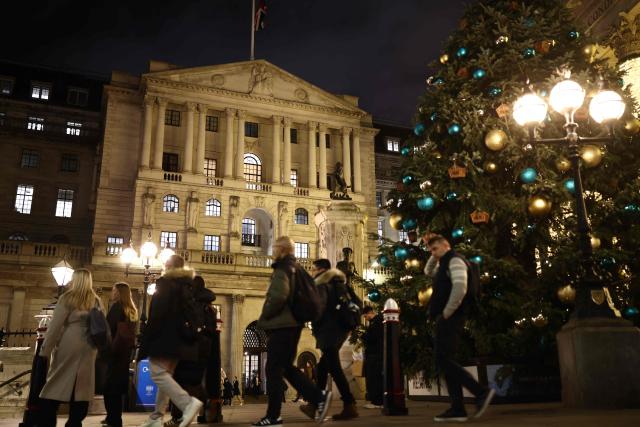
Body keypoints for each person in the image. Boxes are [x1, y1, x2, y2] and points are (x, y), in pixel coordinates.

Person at [252, 236, 332, 427]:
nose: (272, 252)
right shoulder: (298, 268)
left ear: (281, 249)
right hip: (295, 324)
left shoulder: (283, 268)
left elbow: (278, 296)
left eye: (274, 248)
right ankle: (318, 397)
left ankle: (273, 416)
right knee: (286, 367)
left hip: (282, 326)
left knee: (272, 369)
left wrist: (264, 318)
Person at [424, 234, 495, 422]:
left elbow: (460, 287)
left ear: (446, 245)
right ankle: (457, 408)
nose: (433, 253)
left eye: (435, 249)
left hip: (452, 316)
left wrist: (447, 312)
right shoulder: (443, 262)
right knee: (445, 360)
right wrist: (434, 254)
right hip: (447, 317)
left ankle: (480, 392)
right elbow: (427, 271)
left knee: (443, 360)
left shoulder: (454, 260)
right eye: (431, 250)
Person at [138, 255, 203, 427]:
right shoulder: (186, 285)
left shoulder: (166, 284)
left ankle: (187, 403)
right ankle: (156, 417)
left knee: (157, 373)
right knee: (165, 376)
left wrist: (146, 341)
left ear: (170, 267)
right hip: (179, 340)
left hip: (164, 338)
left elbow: (156, 316)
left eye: (166, 265)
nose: (163, 268)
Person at [38, 269, 102, 427]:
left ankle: (47, 422)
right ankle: (74, 422)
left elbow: (54, 327)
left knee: (55, 384)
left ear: (76, 280)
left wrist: (44, 350)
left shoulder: (67, 298)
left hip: (70, 342)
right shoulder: (96, 300)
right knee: (82, 389)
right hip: (89, 346)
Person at [304, 258, 358, 420]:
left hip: (328, 331)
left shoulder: (322, 284)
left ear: (321, 270)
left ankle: (349, 404)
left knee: (333, 367)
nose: (312, 272)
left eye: (314, 269)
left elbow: (317, 308)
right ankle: (314, 405)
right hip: (340, 330)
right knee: (323, 367)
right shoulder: (340, 283)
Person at [167, 275, 216, 426]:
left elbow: (190, 326)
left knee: (180, 381)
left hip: (190, 348)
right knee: (193, 381)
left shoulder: (193, 305)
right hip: (203, 349)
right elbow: (212, 329)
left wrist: (194, 331)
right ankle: (205, 403)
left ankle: (178, 416)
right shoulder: (209, 307)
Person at [103, 282, 138, 427]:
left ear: (119, 292)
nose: (112, 292)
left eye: (114, 290)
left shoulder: (116, 308)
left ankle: (113, 419)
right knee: (118, 387)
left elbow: (108, 328)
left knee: (109, 388)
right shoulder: (132, 310)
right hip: (125, 352)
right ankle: (115, 417)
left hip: (114, 351)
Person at [361, 306, 383, 409]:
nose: (365, 318)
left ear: (369, 313)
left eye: (365, 316)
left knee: (375, 378)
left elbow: (372, 337)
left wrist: (363, 336)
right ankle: (375, 400)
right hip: (374, 354)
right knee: (373, 378)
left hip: (375, 354)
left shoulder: (377, 322)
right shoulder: (376, 322)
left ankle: (377, 401)